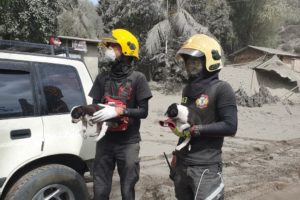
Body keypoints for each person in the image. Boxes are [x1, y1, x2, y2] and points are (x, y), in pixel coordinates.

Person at [171, 34, 238, 200]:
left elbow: (230, 126)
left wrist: (199, 130)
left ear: (210, 62)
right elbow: (186, 124)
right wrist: (176, 152)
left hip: (206, 168)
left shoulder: (222, 89)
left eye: (195, 61)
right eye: (188, 62)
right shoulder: (188, 90)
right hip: (183, 164)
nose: (190, 66)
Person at [89, 29, 152, 200]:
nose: (108, 50)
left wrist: (121, 111)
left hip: (128, 143)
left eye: (113, 46)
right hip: (105, 141)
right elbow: (95, 105)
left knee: (127, 189)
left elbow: (144, 112)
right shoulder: (102, 78)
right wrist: (89, 114)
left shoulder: (138, 79)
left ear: (126, 50)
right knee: (100, 189)